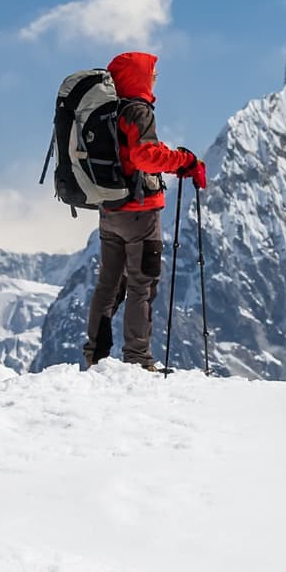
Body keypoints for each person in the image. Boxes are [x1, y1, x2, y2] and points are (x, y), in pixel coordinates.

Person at [84, 51, 206, 371]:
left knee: (108, 283)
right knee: (142, 284)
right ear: (139, 75)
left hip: (109, 209)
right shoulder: (137, 110)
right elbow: (145, 156)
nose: (154, 78)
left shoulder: (109, 109)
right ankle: (137, 360)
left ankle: (95, 355)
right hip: (140, 213)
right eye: (152, 72)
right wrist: (183, 160)